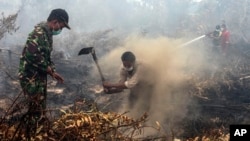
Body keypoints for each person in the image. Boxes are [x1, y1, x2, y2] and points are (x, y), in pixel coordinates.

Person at [18, 8, 70, 122]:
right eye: (61, 26)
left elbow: (46, 57)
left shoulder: (47, 34)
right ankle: (32, 133)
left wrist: (53, 71)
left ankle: (38, 129)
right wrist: (47, 69)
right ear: (55, 21)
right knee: (35, 109)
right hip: (30, 77)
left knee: (40, 108)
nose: (60, 29)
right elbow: (31, 55)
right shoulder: (38, 33)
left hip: (38, 76)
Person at [102, 51, 154, 117]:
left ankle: (147, 120)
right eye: (124, 64)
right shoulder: (123, 69)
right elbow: (121, 86)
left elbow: (129, 85)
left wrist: (109, 85)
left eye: (128, 65)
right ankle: (130, 119)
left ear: (133, 62)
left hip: (148, 86)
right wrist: (111, 91)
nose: (126, 67)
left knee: (145, 106)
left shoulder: (141, 67)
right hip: (136, 86)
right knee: (131, 105)